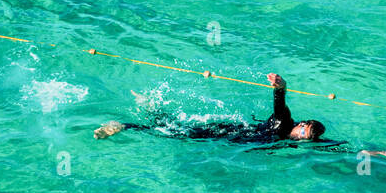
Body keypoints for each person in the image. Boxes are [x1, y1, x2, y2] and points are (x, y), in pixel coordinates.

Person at [94, 72, 327, 143]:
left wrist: (363, 154)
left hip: (226, 139)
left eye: (306, 139)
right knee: (174, 134)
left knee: (174, 130)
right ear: (301, 124)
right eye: (304, 133)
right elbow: (280, 106)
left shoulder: (292, 140)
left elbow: (330, 147)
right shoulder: (283, 123)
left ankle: (151, 107)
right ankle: (124, 125)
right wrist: (281, 86)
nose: (302, 138)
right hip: (225, 133)